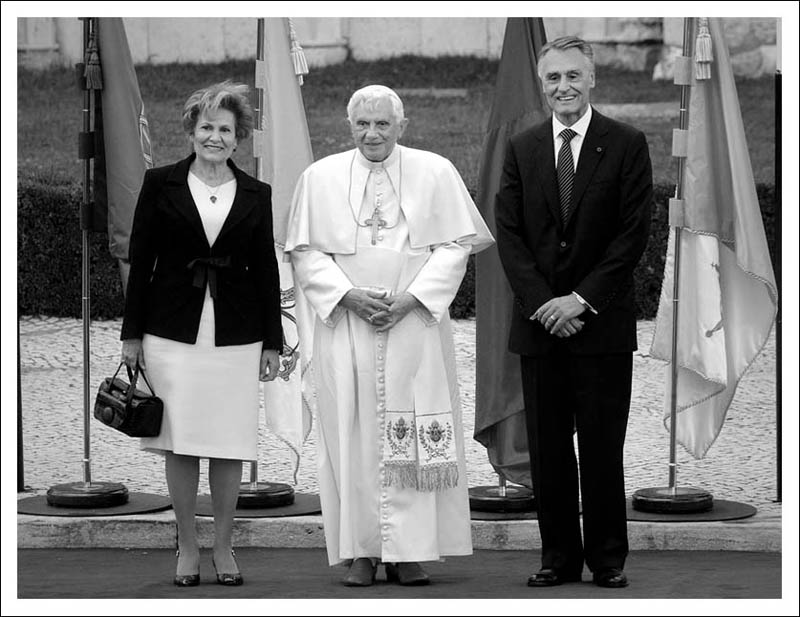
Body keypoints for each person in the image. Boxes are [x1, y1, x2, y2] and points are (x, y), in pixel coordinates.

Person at [284, 85, 494, 586]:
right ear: (349, 125)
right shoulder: (321, 177)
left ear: (402, 125)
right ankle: (361, 550)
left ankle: (410, 551)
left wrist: (413, 299)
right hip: (349, 326)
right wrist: (348, 296)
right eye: (362, 124)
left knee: (418, 434)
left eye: (382, 124)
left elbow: (455, 245)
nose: (372, 134)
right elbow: (306, 252)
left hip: (414, 325)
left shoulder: (435, 171)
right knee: (350, 433)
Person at [494, 36, 653, 589]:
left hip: (600, 326)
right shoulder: (523, 147)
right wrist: (544, 303)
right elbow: (509, 235)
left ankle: (607, 560)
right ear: (542, 84)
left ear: (593, 80)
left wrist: (579, 300)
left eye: (573, 76)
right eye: (553, 78)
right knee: (550, 450)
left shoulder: (628, 143)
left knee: (603, 448)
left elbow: (632, 236)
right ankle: (557, 558)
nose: (563, 87)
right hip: (541, 328)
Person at [120, 80, 283, 587]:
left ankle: (225, 547)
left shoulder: (258, 193)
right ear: (192, 131)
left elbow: (266, 269)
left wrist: (274, 341)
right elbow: (140, 259)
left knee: (230, 442)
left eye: (226, 130)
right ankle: (187, 546)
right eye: (207, 127)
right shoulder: (159, 183)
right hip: (171, 332)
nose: (215, 137)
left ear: (239, 139)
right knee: (183, 442)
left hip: (237, 334)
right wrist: (131, 335)